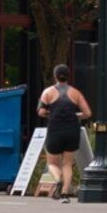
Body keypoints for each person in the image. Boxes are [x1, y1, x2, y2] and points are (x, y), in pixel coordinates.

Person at [33, 68, 89, 199]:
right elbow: (87, 113)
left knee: (52, 163)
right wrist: (76, 115)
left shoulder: (47, 92)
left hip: (55, 129)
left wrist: (51, 114)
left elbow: (40, 111)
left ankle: (58, 180)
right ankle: (64, 193)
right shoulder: (76, 93)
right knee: (67, 163)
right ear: (68, 76)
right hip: (72, 130)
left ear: (55, 76)